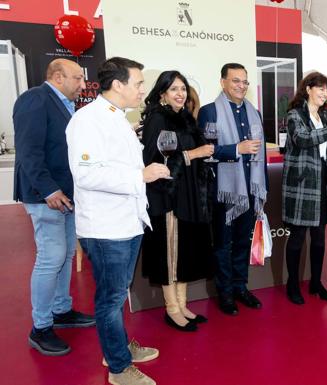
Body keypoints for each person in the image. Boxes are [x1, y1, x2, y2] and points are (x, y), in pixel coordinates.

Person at [66, 57, 168, 385]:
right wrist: (140, 174)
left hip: (125, 222)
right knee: (110, 298)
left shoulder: (117, 118)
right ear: (118, 85)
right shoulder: (88, 120)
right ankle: (119, 368)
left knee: (117, 292)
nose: (143, 89)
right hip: (106, 226)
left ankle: (117, 348)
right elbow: (85, 174)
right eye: (138, 83)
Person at [13, 58, 94, 356]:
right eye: (77, 78)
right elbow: (29, 152)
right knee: (52, 257)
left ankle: (61, 310)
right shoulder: (35, 99)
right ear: (58, 77)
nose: (83, 85)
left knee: (66, 254)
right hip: (46, 195)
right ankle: (41, 327)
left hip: (68, 195)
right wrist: (48, 189)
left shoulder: (66, 106)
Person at [141, 71, 214, 331]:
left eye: (183, 88)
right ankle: (171, 309)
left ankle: (182, 305)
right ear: (162, 93)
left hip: (188, 195)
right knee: (170, 253)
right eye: (173, 89)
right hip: (167, 197)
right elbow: (154, 161)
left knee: (184, 252)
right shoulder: (157, 119)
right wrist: (194, 153)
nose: (180, 93)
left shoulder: (184, 117)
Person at [197, 63, 267, 315]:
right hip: (224, 192)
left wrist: (263, 189)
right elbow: (206, 152)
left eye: (245, 82)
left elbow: (262, 157)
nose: (241, 86)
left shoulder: (254, 113)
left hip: (250, 189)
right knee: (223, 245)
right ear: (223, 82)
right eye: (235, 80)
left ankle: (240, 287)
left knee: (242, 243)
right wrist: (237, 149)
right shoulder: (209, 112)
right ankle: (225, 293)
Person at [282, 72, 327, 304]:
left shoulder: (323, 115)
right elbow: (303, 139)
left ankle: (315, 283)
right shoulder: (295, 114)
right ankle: (293, 284)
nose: (324, 93)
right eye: (320, 88)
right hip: (303, 182)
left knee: (320, 237)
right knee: (298, 237)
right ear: (308, 89)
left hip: (322, 179)